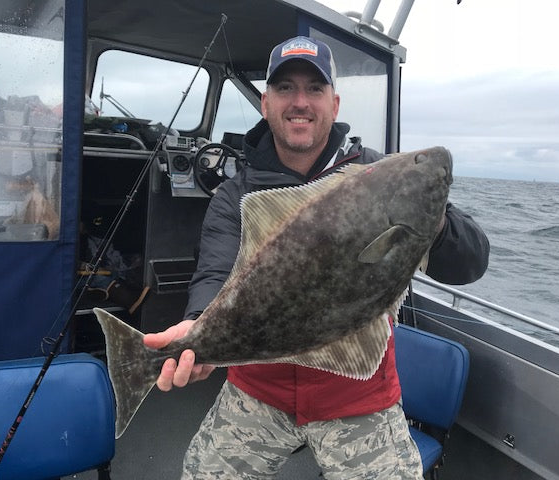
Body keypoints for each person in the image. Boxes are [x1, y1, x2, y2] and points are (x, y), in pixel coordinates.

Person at [144, 36, 490, 479]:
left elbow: (472, 262)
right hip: (258, 390)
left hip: (357, 394)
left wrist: (434, 223)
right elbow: (215, 269)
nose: (300, 102)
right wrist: (199, 325)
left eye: (315, 88)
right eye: (286, 88)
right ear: (266, 103)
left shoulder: (378, 176)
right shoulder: (236, 194)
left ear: (335, 103)